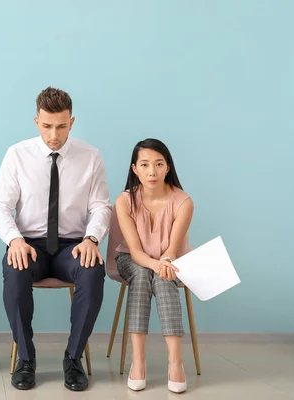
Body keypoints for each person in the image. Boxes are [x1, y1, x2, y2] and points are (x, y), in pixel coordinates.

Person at [0, 87, 111, 391]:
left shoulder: (91, 156)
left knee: (93, 271)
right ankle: (26, 359)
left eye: (61, 126)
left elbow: (100, 206)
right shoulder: (17, 155)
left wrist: (92, 239)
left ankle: (73, 357)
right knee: (14, 272)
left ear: (72, 122)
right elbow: (1, 207)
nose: (54, 134)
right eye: (46, 126)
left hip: (73, 245)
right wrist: (14, 239)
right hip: (29, 244)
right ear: (36, 122)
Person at [114, 138, 192, 393]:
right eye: (145, 165)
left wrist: (165, 262)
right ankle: (138, 361)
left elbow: (171, 249)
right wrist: (154, 264)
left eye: (159, 164)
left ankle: (176, 362)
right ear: (134, 168)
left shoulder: (184, 202)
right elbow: (135, 251)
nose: (152, 171)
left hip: (169, 261)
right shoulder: (124, 201)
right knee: (141, 274)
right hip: (132, 259)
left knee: (163, 277)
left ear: (168, 167)